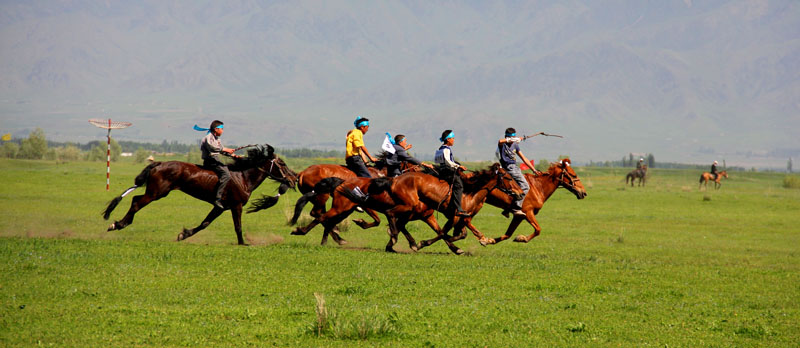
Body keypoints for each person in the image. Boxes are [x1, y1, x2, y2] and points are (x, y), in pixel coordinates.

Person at [197, 120, 238, 209]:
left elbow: (221, 149)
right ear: (216, 129)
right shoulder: (209, 138)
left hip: (215, 159)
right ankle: (217, 198)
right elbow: (214, 148)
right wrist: (226, 149)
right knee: (226, 175)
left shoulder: (216, 138)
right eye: (221, 129)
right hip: (210, 160)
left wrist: (233, 155)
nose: (222, 131)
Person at [497, 127, 537, 216]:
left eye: (514, 138)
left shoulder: (515, 145)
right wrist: (512, 139)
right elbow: (500, 141)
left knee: (518, 188)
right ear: (507, 137)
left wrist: (533, 170)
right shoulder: (502, 145)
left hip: (515, 167)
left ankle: (507, 209)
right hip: (509, 168)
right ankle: (516, 208)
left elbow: (524, 158)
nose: (513, 140)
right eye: (512, 138)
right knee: (526, 187)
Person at [434, 130, 470, 217]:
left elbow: (440, 161)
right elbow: (448, 161)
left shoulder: (441, 148)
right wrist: (458, 166)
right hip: (447, 171)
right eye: (453, 138)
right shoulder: (446, 149)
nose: (454, 140)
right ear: (448, 139)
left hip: (442, 170)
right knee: (459, 185)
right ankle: (458, 209)